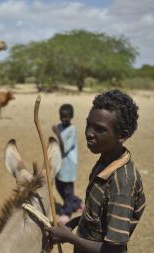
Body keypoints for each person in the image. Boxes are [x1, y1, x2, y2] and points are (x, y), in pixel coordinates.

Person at [46, 89, 146, 253]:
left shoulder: (122, 185)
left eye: (99, 129)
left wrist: (69, 238)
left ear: (122, 135)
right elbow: (97, 217)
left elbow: (115, 250)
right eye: (88, 124)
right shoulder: (105, 161)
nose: (88, 133)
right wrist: (71, 224)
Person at [52, 104, 83, 224]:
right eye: (62, 116)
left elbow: (64, 148)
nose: (64, 119)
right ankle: (78, 203)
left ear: (71, 117)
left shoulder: (72, 130)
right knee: (60, 187)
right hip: (60, 164)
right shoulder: (59, 126)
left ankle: (67, 212)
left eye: (67, 117)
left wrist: (57, 134)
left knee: (68, 190)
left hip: (68, 165)